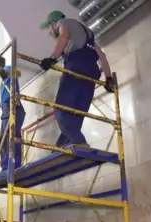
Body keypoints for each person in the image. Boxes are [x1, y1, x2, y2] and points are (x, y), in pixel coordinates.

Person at [38, 11, 114, 148]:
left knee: (60, 109)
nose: (50, 31)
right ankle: (64, 144)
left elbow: (64, 37)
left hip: (76, 65)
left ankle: (77, 140)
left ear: (54, 23)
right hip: (91, 72)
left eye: (49, 27)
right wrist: (108, 79)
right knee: (77, 113)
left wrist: (52, 58)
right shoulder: (87, 35)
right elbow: (102, 55)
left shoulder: (63, 23)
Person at [0, 56, 26, 172]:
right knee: (3, 138)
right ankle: (5, 166)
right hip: (6, 109)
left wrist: (1, 71)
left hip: (14, 108)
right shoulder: (2, 80)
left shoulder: (7, 69)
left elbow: (18, 73)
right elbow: (6, 97)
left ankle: (14, 164)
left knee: (12, 136)